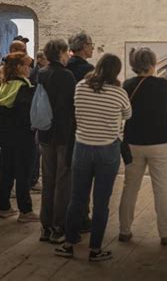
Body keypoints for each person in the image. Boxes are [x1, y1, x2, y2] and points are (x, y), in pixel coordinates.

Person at [54, 54, 131, 262]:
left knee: (77, 198)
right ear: (116, 71)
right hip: (107, 149)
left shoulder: (80, 87)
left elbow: (76, 110)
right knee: (101, 202)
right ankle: (95, 249)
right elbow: (127, 115)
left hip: (82, 148)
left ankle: (69, 244)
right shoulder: (119, 93)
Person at [118, 48, 167, 246]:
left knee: (130, 188)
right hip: (160, 143)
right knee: (161, 189)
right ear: (153, 64)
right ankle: (165, 233)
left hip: (134, 142)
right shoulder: (162, 84)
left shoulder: (127, 84)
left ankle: (124, 231)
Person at [38, 39, 76, 244]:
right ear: (60, 53)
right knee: (63, 181)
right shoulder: (67, 76)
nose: (68, 55)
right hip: (63, 134)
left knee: (48, 179)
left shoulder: (41, 73)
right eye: (66, 52)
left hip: (44, 133)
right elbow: (71, 106)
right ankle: (58, 227)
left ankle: (45, 226)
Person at [0, 52, 39, 222]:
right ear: (19, 67)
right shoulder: (25, 88)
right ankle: (25, 211)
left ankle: (4, 207)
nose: (30, 69)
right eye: (28, 65)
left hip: (5, 134)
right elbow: (26, 115)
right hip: (23, 136)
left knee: (5, 171)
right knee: (23, 172)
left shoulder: (4, 85)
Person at [66, 31, 95, 232]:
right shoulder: (88, 70)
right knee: (84, 175)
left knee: (69, 174)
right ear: (83, 47)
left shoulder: (65, 66)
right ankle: (83, 218)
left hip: (64, 126)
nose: (93, 48)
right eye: (91, 45)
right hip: (82, 127)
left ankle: (69, 217)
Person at [29, 50, 49, 194]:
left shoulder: (38, 72)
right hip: (39, 117)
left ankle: (34, 178)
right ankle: (34, 179)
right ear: (41, 59)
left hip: (38, 116)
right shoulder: (38, 74)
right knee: (36, 150)